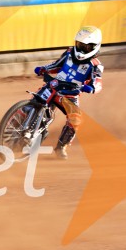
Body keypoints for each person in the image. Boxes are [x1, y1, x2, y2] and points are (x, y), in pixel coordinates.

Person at [34, 26, 103, 159]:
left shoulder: (95, 64)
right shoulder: (69, 52)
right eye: (79, 44)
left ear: (94, 47)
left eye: (86, 47)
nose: (81, 48)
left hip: (69, 95)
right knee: (35, 101)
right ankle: (11, 127)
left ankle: (61, 147)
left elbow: (98, 82)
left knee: (76, 118)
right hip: (54, 86)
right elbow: (57, 65)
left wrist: (92, 88)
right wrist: (44, 69)